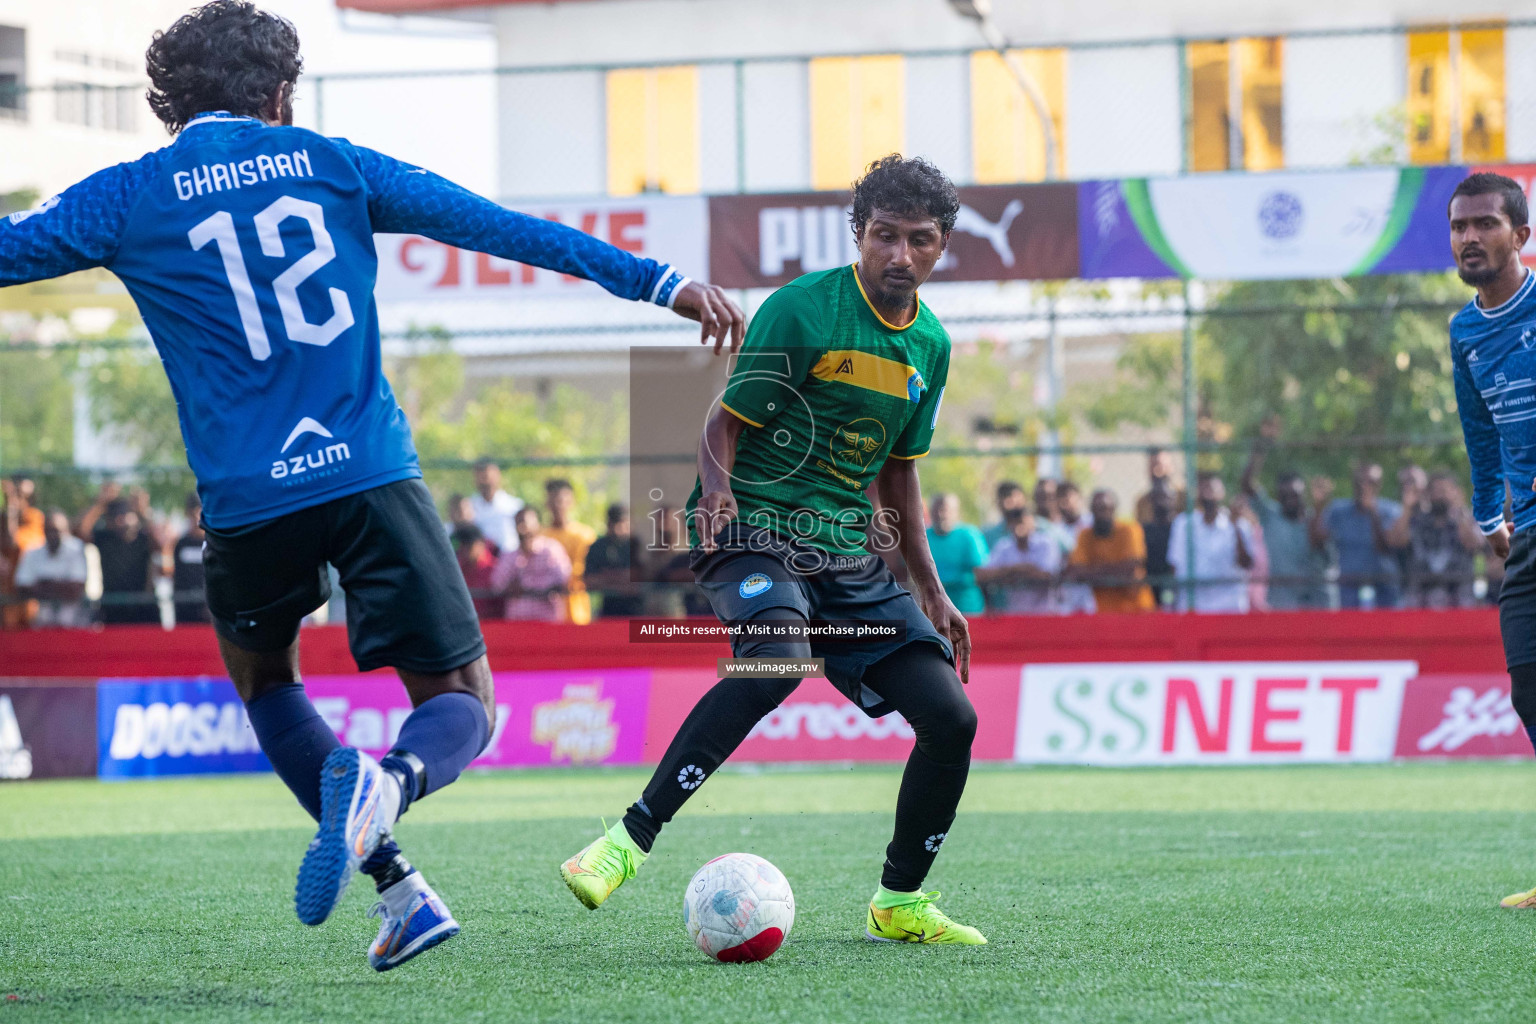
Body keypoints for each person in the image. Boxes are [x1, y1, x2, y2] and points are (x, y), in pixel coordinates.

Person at [0, 1, 744, 972]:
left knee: (265, 680)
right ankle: (390, 787)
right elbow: (502, 228)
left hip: (244, 502)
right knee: (465, 701)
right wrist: (655, 280)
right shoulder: (334, 163)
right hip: (368, 475)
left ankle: (399, 890)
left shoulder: (129, 194)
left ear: (168, 107)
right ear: (279, 95)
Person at [559, 156, 984, 945]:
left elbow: (898, 474)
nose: (899, 254)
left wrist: (932, 591)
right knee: (778, 659)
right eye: (883, 236)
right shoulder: (804, 311)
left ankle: (899, 902)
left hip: (847, 553)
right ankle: (626, 842)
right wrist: (716, 490)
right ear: (860, 234)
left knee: (951, 717)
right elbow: (722, 422)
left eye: (918, 240)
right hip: (750, 526)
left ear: (941, 246)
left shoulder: (930, 346)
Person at [1439, 173, 1536, 910]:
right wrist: (1484, 516)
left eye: (1485, 224)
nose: (1470, 237)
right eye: (1459, 226)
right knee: (1529, 688)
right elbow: (1479, 431)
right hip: (1527, 531)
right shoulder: (1464, 331)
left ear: (1521, 236)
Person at [1240, 420, 1330, 610]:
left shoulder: (1316, 519)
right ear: (1278, 497)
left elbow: (1323, 549)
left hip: (1315, 606)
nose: (1290, 500)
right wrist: (1262, 446)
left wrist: (1320, 505)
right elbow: (1247, 485)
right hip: (1281, 605)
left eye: (1294, 496)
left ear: (1303, 494)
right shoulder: (1271, 517)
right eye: (1285, 496)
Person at [1313, 463, 1402, 609]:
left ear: (1379, 485)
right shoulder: (1338, 510)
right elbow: (1317, 541)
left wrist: (1373, 514)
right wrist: (1319, 506)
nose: (1365, 487)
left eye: (1371, 482)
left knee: (1386, 631)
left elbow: (1387, 548)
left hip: (1384, 589)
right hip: (1348, 589)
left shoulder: (1392, 511)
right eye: (1360, 481)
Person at [1392, 472, 1482, 609]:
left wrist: (1460, 511)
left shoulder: (1468, 520)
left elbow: (1473, 545)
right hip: (1419, 604)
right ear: (1427, 494)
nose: (1439, 495)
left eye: (1444, 490)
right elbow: (1396, 541)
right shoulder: (1416, 521)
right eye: (1435, 490)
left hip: (1459, 604)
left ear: (1455, 493)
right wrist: (1407, 508)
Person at [1167, 473, 1255, 613]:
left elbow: (1246, 564)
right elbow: (1175, 566)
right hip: (1193, 606)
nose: (1208, 494)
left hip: (1229, 607)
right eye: (1203, 489)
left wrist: (1235, 527)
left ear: (1222, 493)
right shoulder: (1183, 524)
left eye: (1212, 489)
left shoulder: (1240, 524)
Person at [1065, 489, 1153, 613]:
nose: (1102, 514)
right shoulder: (1085, 535)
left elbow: (1131, 566)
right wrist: (1114, 571)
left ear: (1114, 510)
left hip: (1135, 608)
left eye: (1106, 509)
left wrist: (1092, 571)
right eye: (1098, 509)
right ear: (1091, 511)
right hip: (1101, 611)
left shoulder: (1129, 530)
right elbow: (1076, 570)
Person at [81, 493, 162, 625]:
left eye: (126, 515)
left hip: (144, 607)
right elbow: (82, 532)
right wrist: (100, 505)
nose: (121, 520)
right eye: (116, 517)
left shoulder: (145, 538)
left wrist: (143, 510)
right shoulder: (105, 538)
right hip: (112, 606)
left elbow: (160, 545)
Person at [976, 506, 1070, 614]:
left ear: (1032, 523)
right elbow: (982, 574)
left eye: (1022, 522)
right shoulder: (1004, 545)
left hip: (1045, 614)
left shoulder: (1046, 543)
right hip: (1015, 615)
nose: (1018, 527)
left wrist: (1009, 572)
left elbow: (1047, 575)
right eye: (1014, 522)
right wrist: (1017, 569)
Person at [13, 509, 93, 628]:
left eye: (56, 531)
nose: (52, 535)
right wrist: (61, 586)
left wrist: (42, 585)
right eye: (48, 530)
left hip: (74, 626)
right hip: (41, 626)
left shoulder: (77, 549)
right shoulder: (32, 551)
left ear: (66, 531)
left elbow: (75, 589)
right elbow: (22, 587)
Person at [494, 506, 572, 621]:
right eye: (518, 523)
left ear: (537, 525)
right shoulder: (510, 556)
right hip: (516, 623)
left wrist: (528, 586)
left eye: (525, 523)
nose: (522, 528)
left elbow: (562, 579)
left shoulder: (551, 550)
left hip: (546, 622)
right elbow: (497, 583)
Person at [541, 479, 597, 625]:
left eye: (561, 500)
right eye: (553, 501)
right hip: (546, 610)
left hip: (576, 609)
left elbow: (582, 570)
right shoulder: (540, 536)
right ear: (546, 503)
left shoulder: (584, 535)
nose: (557, 506)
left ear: (571, 501)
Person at [924, 493, 989, 616]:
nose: (940, 514)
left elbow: (982, 572)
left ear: (956, 512)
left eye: (944, 509)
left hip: (967, 608)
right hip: (932, 609)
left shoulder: (969, 535)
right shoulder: (922, 537)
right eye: (935, 510)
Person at [584, 503, 644, 618]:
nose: (618, 529)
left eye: (622, 523)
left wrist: (607, 576)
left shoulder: (638, 545)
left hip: (637, 611)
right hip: (608, 612)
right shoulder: (598, 547)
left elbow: (638, 577)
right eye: (614, 523)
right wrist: (621, 578)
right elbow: (589, 581)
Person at [449, 523, 503, 619]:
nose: (463, 549)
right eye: (461, 545)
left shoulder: (496, 569)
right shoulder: (457, 570)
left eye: (468, 545)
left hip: (493, 626)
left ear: (481, 544)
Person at [173, 492, 210, 625]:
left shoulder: (215, 543)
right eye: (192, 511)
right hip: (185, 613)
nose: (195, 516)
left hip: (211, 612)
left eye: (199, 510)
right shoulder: (180, 544)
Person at [469, 458, 520, 554]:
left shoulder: (514, 506)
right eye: (480, 476)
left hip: (509, 560)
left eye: (487, 476)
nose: (485, 480)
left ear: (498, 475)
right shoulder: (468, 507)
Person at [1134, 447, 1186, 524]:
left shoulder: (1184, 497)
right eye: (1152, 466)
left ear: (1171, 467)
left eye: (1160, 465)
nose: (1156, 471)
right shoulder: (1143, 502)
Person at [983, 480, 1027, 549]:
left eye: (1011, 496)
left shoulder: (1040, 530)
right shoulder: (989, 535)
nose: (1007, 501)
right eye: (1003, 496)